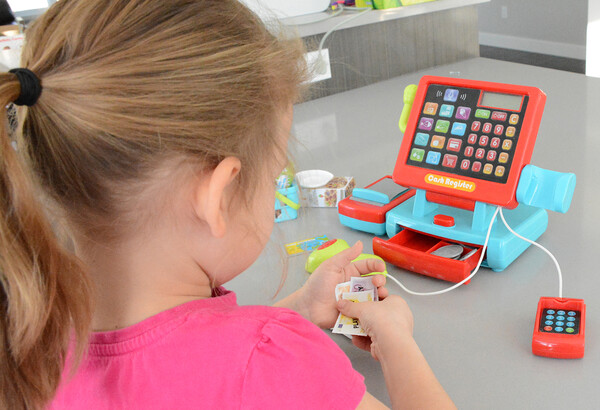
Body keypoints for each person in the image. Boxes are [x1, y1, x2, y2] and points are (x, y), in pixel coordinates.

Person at [0, 1, 455, 409]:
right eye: (274, 174)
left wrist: (295, 310)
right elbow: (242, 370)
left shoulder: (26, 344)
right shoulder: (275, 363)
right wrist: (395, 341)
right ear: (217, 196)